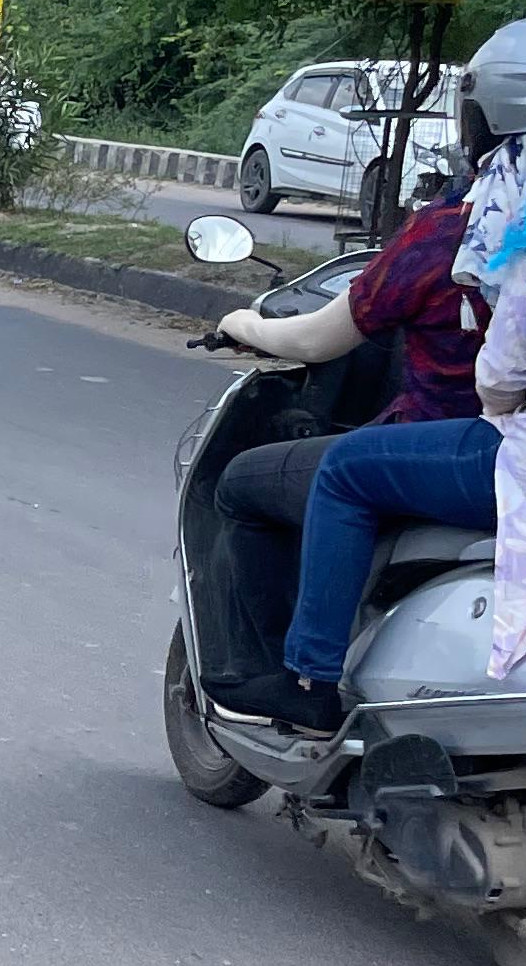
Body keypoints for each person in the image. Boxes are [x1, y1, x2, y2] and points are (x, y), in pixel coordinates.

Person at [202, 160, 493, 724]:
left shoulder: (461, 231)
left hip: (492, 452)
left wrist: (242, 324)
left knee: (270, 480)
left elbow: (317, 338)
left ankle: (304, 678)